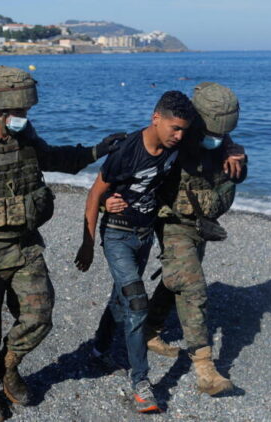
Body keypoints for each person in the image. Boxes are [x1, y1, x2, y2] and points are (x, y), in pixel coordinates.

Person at [0, 65, 120, 422]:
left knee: (39, 315)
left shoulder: (24, 137)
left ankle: (9, 365)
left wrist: (97, 149)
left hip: (25, 247)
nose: (25, 117)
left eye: (25, 112)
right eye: (20, 112)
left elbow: (53, 159)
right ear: (0, 109)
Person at [116, 82, 247, 396]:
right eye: (212, 131)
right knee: (192, 284)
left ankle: (150, 329)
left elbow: (230, 173)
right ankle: (206, 369)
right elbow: (139, 155)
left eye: (222, 132)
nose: (216, 137)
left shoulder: (220, 141)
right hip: (172, 221)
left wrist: (237, 158)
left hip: (201, 224)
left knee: (175, 278)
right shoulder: (175, 136)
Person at [74, 91, 196, 414]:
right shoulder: (128, 151)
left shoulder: (177, 142)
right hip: (117, 235)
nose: (179, 135)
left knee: (121, 298)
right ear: (156, 118)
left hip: (144, 237)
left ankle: (99, 351)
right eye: (174, 128)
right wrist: (87, 243)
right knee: (138, 302)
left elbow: (212, 142)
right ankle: (141, 383)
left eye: (184, 129)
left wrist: (232, 153)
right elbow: (94, 192)